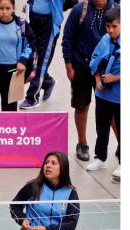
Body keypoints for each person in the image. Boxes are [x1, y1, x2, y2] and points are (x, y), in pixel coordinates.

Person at [63, 0, 117, 161]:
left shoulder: (117, 10)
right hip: (81, 67)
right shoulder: (79, 10)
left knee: (113, 109)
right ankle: (82, 144)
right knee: (81, 106)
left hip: (107, 70)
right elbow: (67, 39)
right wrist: (69, 66)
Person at [0, 0, 35, 111]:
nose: (4, 12)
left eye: (8, 8)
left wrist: (23, 61)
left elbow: (31, 44)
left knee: (10, 107)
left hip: (13, 70)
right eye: (1, 8)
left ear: (13, 8)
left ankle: (8, 128)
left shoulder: (22, 25)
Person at [89, 7, 121, 181]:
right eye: (108, 26)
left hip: (121, 96)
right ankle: (100, 158)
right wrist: (97, 81)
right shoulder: (104, 40)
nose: (110, 30)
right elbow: (95, 62)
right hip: (103, 94)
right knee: (101, 127)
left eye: (114, 26)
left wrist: (115, 78)